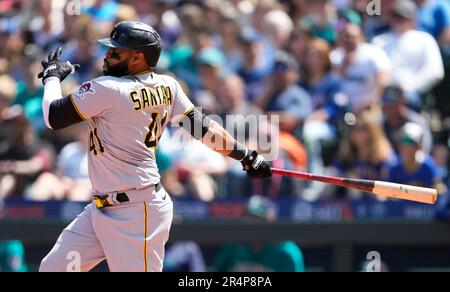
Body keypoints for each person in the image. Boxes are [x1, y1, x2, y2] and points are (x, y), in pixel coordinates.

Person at [38, 21, 272, 272]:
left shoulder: (108, 88)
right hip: (101, 209)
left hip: (136, 212)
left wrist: (52, 77)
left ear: (138, 57)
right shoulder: (167, 86)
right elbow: (204, 129)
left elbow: (53, 117)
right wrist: (245, 155)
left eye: (116, 50)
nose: (107, 54)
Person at [372, 0, 444, 107]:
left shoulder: (425, 39)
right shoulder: (379, 41)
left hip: (412, 96)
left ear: (413, 19)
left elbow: (435, 71)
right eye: (396, 16)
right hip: (383, 94)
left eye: (403, 17)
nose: (399, 20)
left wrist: (411, 87)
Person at [381, 85, 433, 154]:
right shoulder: (380, 123)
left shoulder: (416, 122)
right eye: (385, 100)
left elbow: (424, 151)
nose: (388, 105)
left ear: (402, 102)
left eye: (391, 101)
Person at [388, 122, 441, 189]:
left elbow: (435, 193)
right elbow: (389, 195)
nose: (404, 145)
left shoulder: (428, 166)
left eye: (408, 141)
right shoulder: (395, 166)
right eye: (402, 140)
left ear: (418, 145)